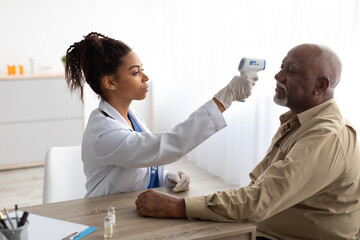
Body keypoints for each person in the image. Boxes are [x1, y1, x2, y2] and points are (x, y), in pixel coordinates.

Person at [135, 43, 360, 240]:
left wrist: (178, 206)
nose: (278, 76)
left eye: (290, 70)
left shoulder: (326, 136)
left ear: (320, 85)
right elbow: (259, 186)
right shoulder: (298, 121)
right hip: (263, 228)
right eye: (281, 66)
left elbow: (260, 199)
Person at [65, 32, 258, 198]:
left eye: (143, 70)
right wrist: (225, 99)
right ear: (110, 83)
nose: (145, 77)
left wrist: (167, 178)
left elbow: (143, 163)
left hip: (133, 209)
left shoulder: (132, 118)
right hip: (108, 218)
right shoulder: (103, 133)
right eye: (135, 72)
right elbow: (167, 146)